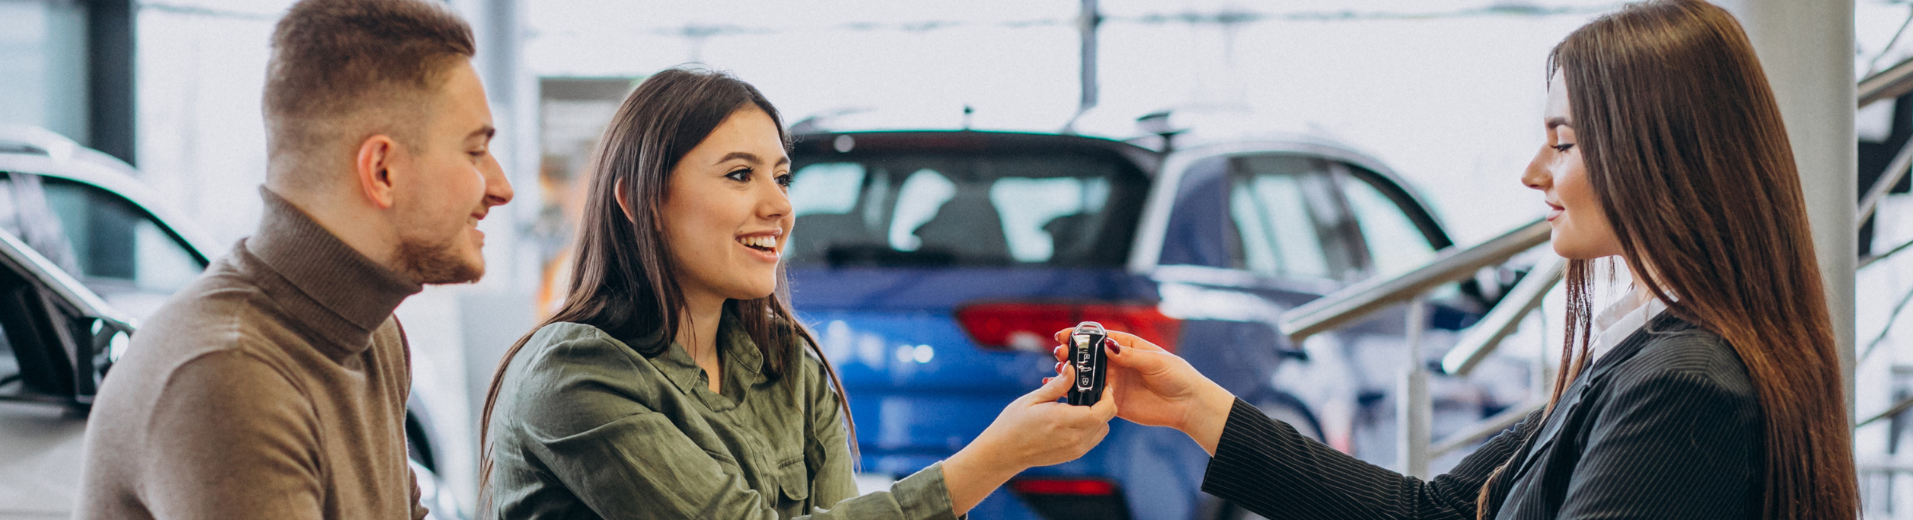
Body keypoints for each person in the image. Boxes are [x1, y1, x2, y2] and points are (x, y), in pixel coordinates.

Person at [1053, 1, 1857, 519]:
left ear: (1661, 154)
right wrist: (1195, 405)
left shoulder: (1685, 384)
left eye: (1564, 143)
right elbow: (1436, 511)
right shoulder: (1642, 354)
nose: (1533, 172)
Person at [478, 67, 1117, 519]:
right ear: (640, 200)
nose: (778, 205)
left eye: (782, 177)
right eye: (739, 175)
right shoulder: (574, 376)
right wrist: (992, 460)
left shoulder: (787, 362)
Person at [75, 0, 513, 518]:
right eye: (474, 151)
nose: (501, 188)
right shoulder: (230, 375)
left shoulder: (373, 336)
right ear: (382, 171)